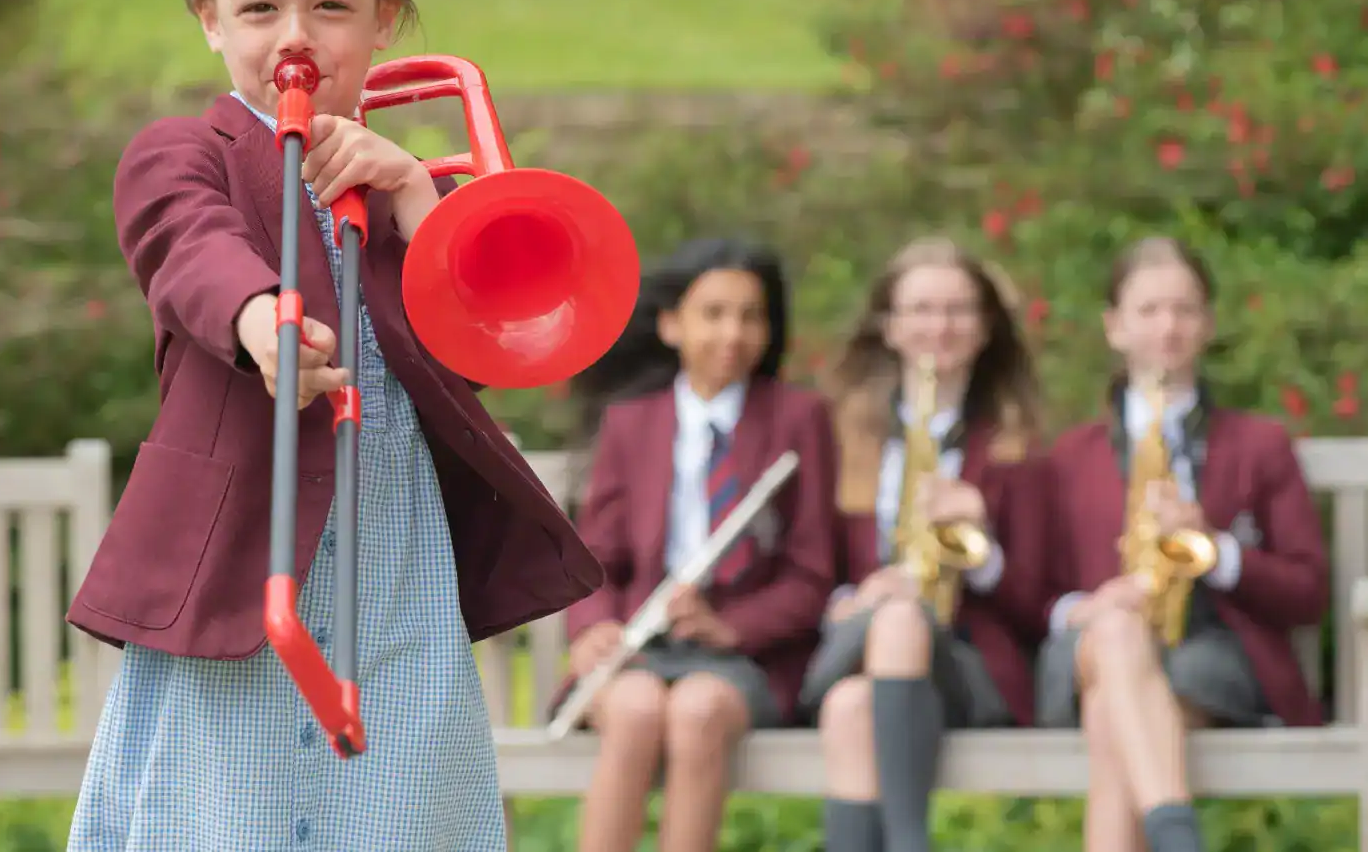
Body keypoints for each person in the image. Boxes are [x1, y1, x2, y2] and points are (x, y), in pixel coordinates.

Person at [62, 0, 603, 852]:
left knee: (400, 815)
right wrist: (260, 316)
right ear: (208, 19)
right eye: (259, 8)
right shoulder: (181, 152)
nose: (295, 38)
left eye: (331, 6)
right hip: (244, 570)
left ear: (384, 18)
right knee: (226, 817)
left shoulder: (407, 185)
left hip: (395, 573)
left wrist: (416, 206)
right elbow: (185, 246)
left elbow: (483, 352)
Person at [1035, 237, 1330, 852]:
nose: (1168, 327)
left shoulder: (1260, 445)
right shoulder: (1069, 457)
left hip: (1211, 655)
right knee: (1116, 636)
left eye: (1185, 309)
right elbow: (1030, 593)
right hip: (1087, 650)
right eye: (1149, 311)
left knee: (1116, 717)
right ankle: (1177, 833)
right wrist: (1084, 609)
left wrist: (1215, 550)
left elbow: (1307, 593)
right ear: (1114, 327)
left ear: (1208, 324)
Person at [560, 236, 839, 852]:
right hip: (637, 645)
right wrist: (592, 629)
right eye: (713, 313)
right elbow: (596, 559)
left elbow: (811, 573)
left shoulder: (800, 418)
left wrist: (728, 628)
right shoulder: (632, 423)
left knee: (697, 712)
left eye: (750, 315)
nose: (732, 333)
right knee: (633, 713)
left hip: (744, 657)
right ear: (670, 324)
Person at [801, 237, 1050, 852]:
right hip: (855, 642)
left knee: (852, 710)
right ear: (889, 326)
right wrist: (850, 597)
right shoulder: (842, 434)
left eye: (959, 310)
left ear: (986, 328)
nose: (939, 326)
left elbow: (1039, 603)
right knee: (889, 631)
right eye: (920, 310)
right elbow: (807, 567)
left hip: (970, 669)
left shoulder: (1015, 446)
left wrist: (982, 547)